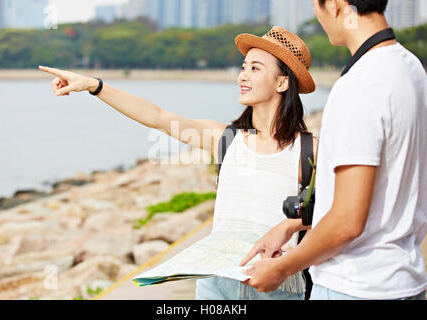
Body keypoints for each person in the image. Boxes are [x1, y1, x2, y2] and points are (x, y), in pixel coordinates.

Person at [39, 25, 318, 300]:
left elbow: (339, 215)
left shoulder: (309, 150)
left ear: (282, 82)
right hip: (216, 285)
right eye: (243, 67)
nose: (242, 76)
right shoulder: (225, 139)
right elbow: (156, 116)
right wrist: (93, 85)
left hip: (278, 287)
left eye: (255, 69)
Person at [240, 0, 427, 300]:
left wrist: (283, 267)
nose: (317, 11)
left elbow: (347, 222)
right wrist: (291, 226)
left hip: (354, 286)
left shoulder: (359, 85)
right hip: (404, 280)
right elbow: (385, 190)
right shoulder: (411, 68)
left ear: (338, 5)